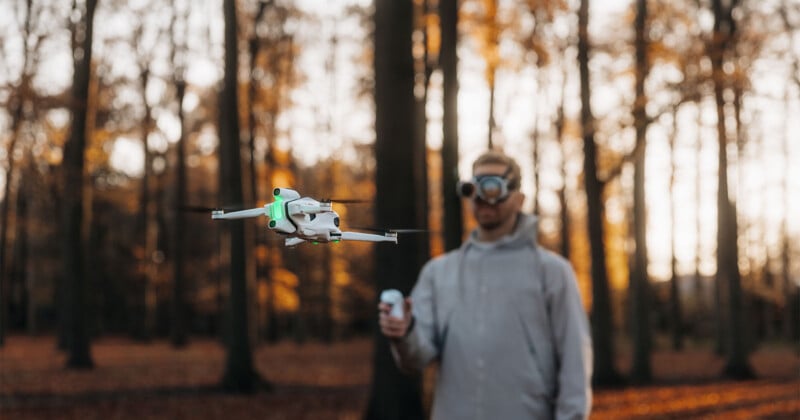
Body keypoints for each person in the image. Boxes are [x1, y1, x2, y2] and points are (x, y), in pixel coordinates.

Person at [379, 150, 593, 419]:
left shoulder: (552, 272)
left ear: (519, 199)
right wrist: (404, 332)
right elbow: (415, 359)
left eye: (492, 186)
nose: (482, 198)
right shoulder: (439, 273)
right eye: (474, 188)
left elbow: (575, 363)